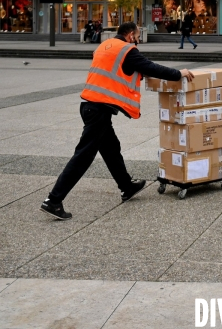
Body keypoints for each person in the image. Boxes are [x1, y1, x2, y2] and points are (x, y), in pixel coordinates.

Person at [40, 22, 195, 220]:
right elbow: (150, 67)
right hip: (99, 110)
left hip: (90, 106)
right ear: (130, 35)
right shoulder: (127, 50)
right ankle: (53, 200)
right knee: (83, 155)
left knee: (111, 149)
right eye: (137, 36)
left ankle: (127, 186)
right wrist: (178, 73)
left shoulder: (106, 46)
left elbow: (124, 71)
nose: (138, 41)